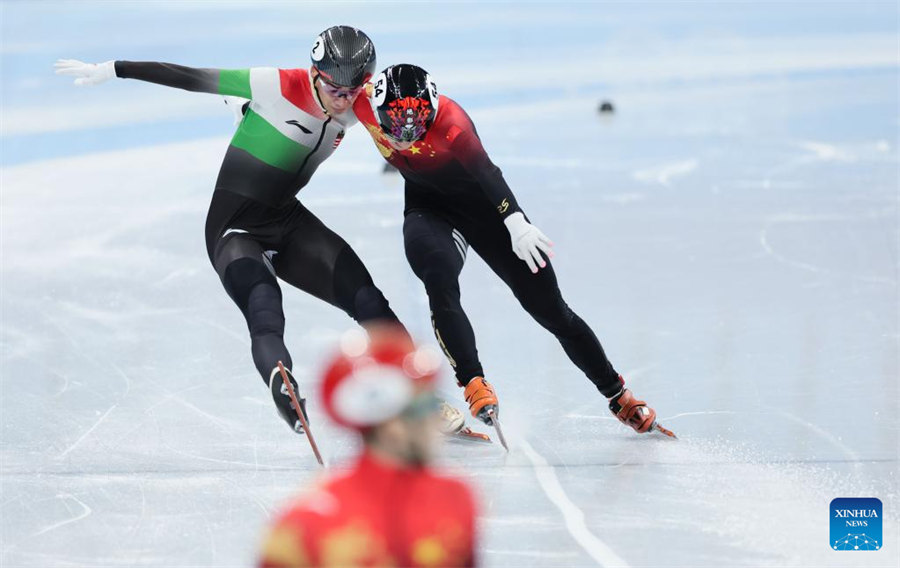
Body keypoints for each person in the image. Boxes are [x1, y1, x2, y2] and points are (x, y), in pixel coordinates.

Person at [52, 27, 472, 437]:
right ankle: (282, 384)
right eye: (333, 90)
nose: (342, 100)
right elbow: (189, 76)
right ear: (315, 72)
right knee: (264, 305)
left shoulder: (357, 103)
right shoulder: (274, 84)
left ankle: (421, 399)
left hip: (287, 221)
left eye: (352, 91)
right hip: (234, 229)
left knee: (366, 298)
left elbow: (406, 136)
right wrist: (115, 68)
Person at [352, 64, 670, 436]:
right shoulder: (358, 101)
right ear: (376, 109)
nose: (405, 136)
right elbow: (316, 87)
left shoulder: (452, 123)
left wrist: (515, 221)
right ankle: (473, 383)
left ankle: (619, 396)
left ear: (433, 111)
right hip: (429, 211)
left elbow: (488, 173)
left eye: (418, 125)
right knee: (438, 278)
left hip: (486, 211)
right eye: (394, 125)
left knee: (553, 311)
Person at [258, 327, 478, 567]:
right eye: (425, 407)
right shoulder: (308, 524)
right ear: (391, 425)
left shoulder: (455, 498)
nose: (435, 419)